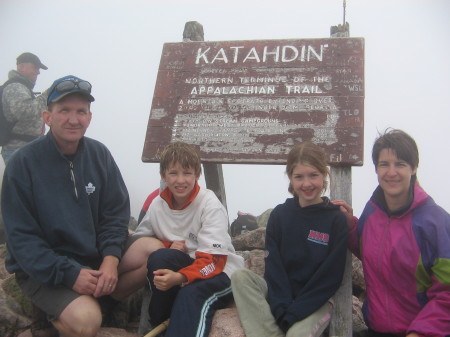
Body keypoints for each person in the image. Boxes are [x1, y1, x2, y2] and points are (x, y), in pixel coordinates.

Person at [1, 75, 130, 337]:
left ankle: (97, 301)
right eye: (64, 111)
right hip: (44, 270)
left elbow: (115, 214)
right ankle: (59, 321)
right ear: (47, 117)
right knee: (87, 323)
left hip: (93, 259)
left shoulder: (99, 154)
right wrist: (69, 274)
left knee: (150, 251)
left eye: (81, 111)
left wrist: (110, 259)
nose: (74, 119)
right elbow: (22, 239)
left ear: (90, 117)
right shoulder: (23, 164)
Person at [112, 141, 244, 337]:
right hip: (187, 263)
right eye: (173, 173)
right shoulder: (158, 204)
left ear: (197, 175)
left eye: (187, 173)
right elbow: (141, 240)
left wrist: (181, 278)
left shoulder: (209, 205)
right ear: (164, 175)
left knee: (190, 294)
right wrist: (167, 245)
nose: (180, 180)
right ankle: (159, 325)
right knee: (160, 259)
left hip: (220, 271)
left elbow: (215, 261)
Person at [333, 129, 450, 336]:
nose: (391, 172)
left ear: (413, 168)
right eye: (384, 164)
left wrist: (420, 332)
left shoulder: (435, 222)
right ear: (376, 169)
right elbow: (371, 250)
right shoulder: (373, 211)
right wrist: (350, 225)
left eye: (400, 164)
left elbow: (447, 292)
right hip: (377, 329)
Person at [231, 141, 348, 337]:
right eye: (299, 177)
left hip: (316, 301)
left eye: (313, 175)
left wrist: (295, 312)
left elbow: (330, 276)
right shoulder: (280, 215)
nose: (307, 184)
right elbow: (274, 267)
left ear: (324, 175)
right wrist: (282, 307)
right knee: (240, 277)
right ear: (291, 179)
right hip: (281, 294)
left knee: (296, 334)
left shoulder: (335, 219)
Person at [1, 52, 49, 164]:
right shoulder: (15, 87)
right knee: (24, 181)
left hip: (24, 149)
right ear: (21, 67)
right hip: (18, 150)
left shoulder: (21, 87)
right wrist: (48, 95)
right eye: (35, 68)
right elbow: (25, 112)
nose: (38, 72)